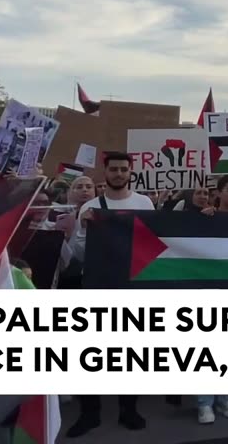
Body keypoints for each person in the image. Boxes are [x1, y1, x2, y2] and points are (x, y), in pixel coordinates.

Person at [65, 152, 153, 437]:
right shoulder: (90, 206)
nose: (118, 173)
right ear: (105, 172)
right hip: (98, 287)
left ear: (130, 172)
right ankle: (90, 414)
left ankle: (129, 409)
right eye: (113, 169)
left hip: (132, 289)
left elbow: (152, 244)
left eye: (123, 169)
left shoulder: (144, 203)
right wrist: (83, 225)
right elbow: (79, 253)